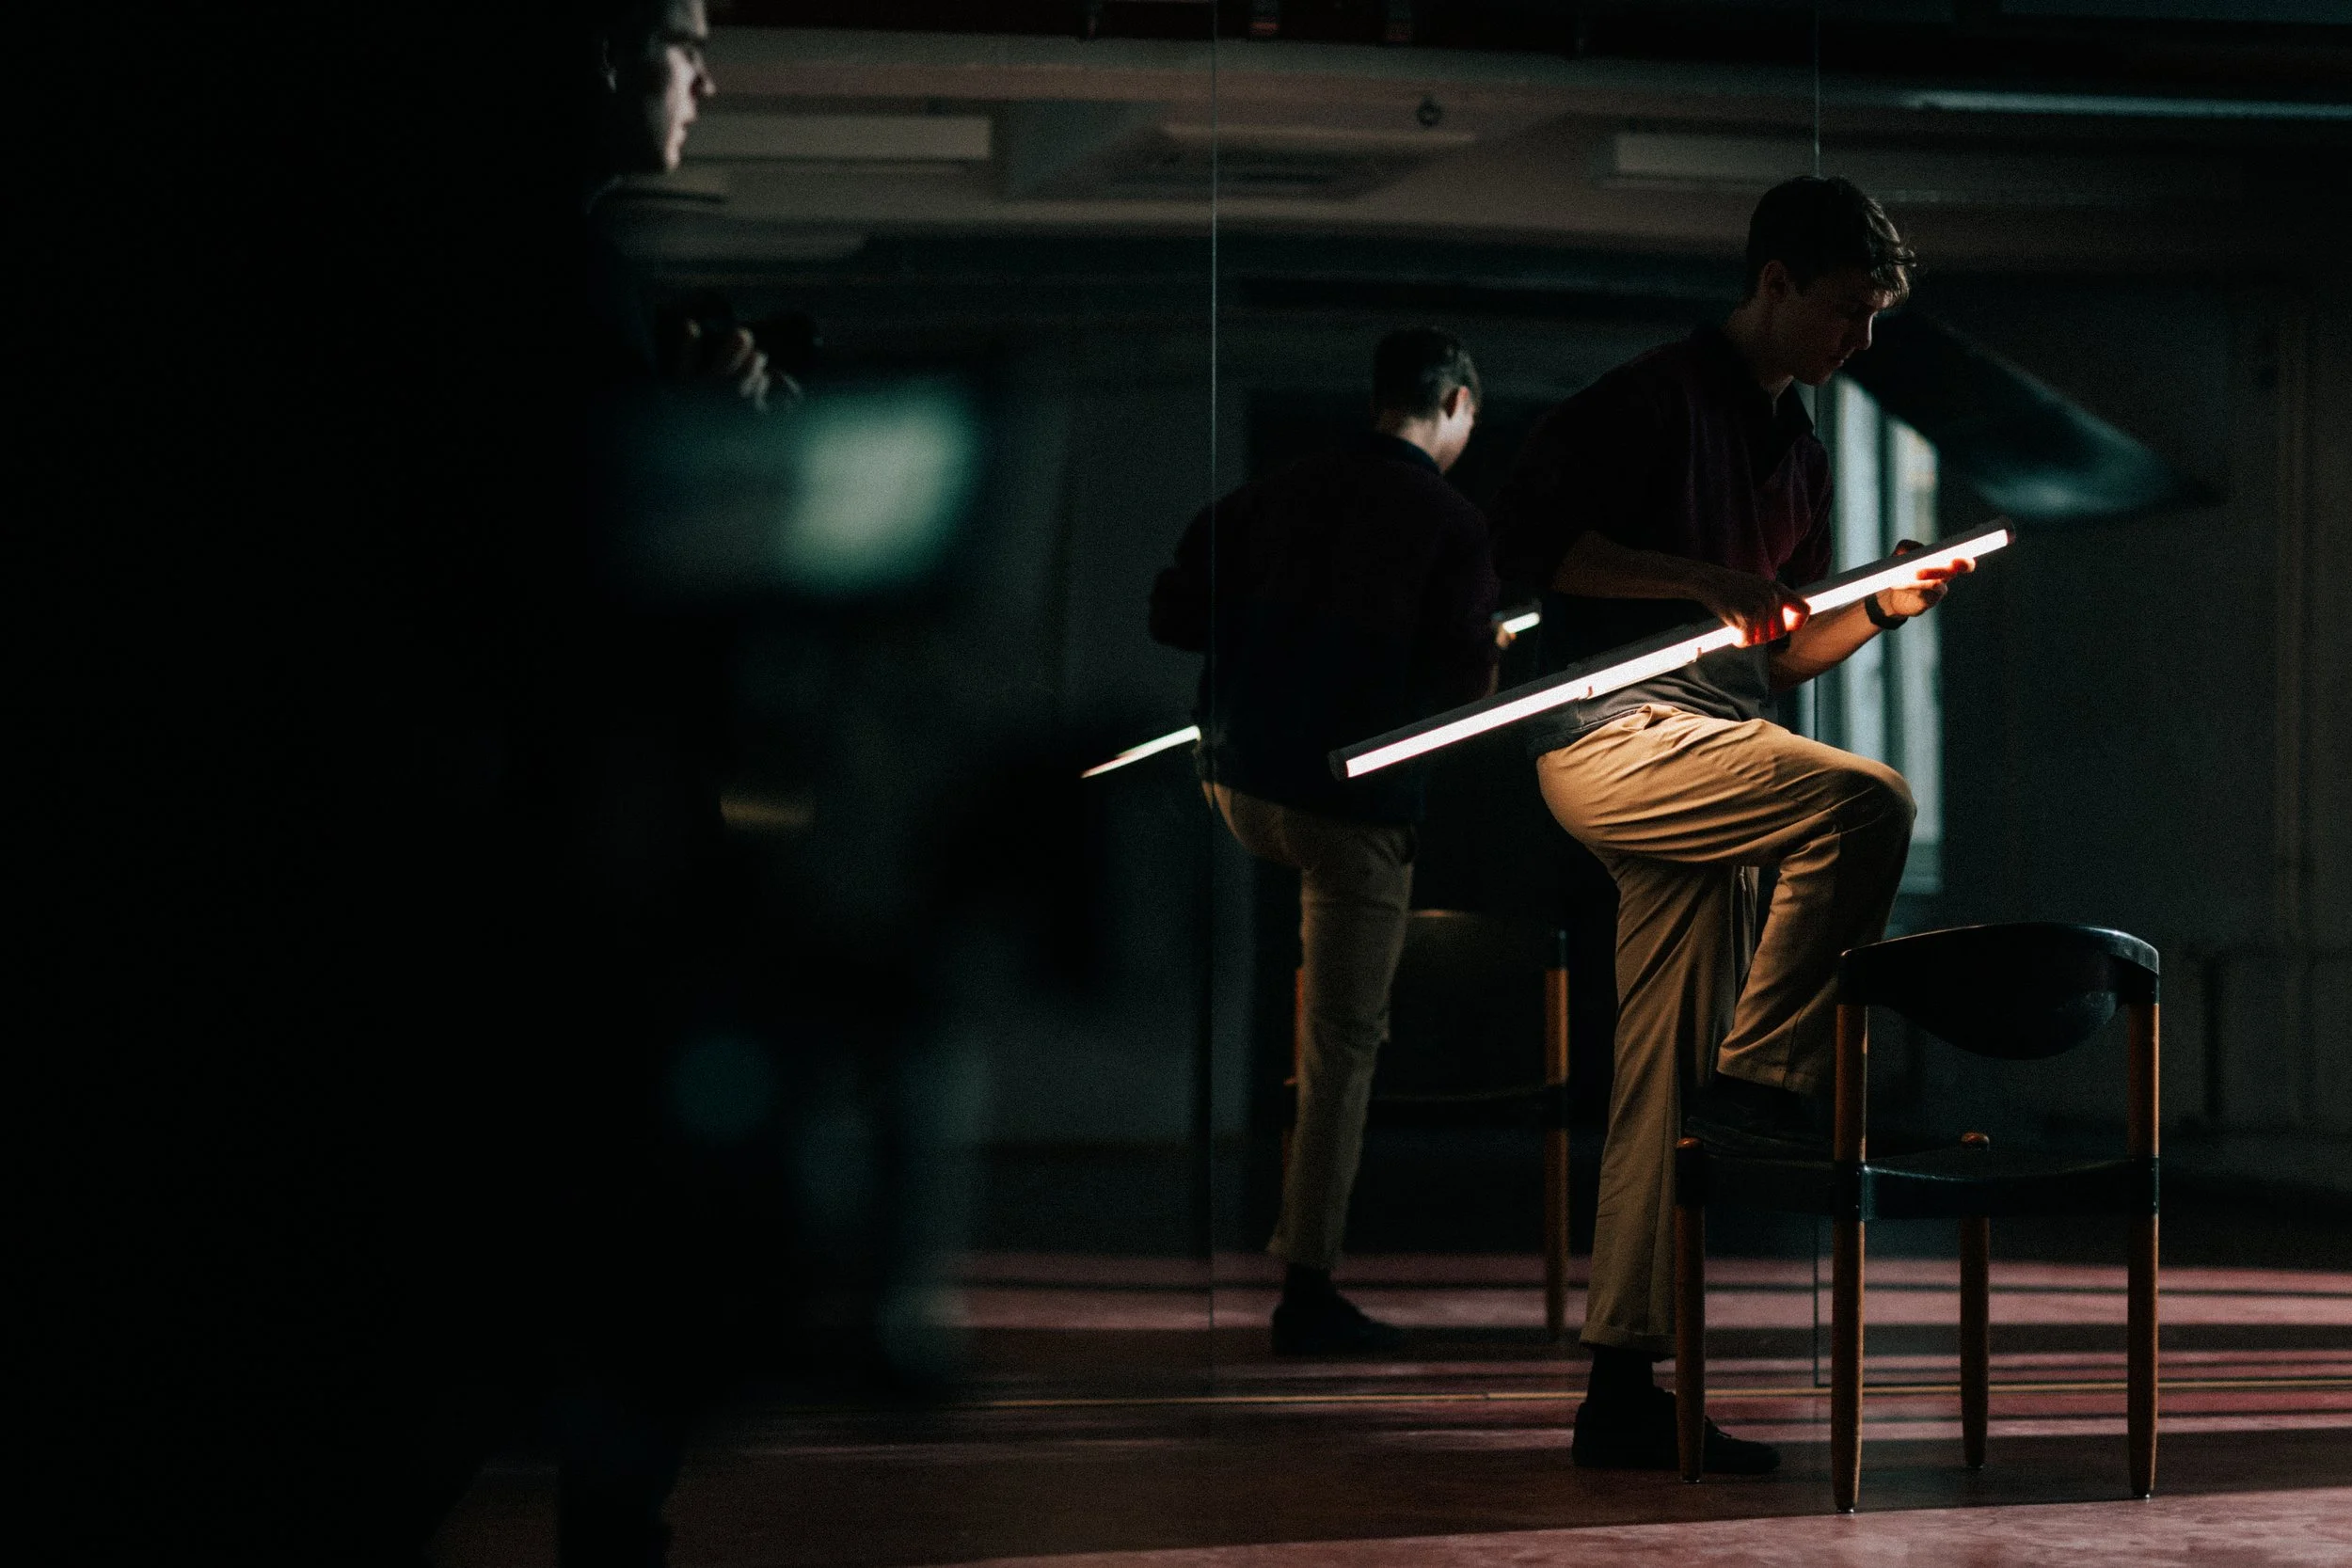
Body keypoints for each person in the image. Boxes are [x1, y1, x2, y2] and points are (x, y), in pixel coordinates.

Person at [1487, 177, 1976, 1472]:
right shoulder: (1645, 401)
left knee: (1657, 1085)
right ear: (1775, 283)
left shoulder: (1801, 455)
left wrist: (1880, 605)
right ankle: (1768, 1073)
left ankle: (1622, 1386)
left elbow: (1782, 652)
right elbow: (1531, 545)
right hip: (1615, 739)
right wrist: (1695, 577)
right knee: (1867, 798)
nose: (1859, 343)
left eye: (1874, 319)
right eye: (1847, 312)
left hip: (1713, 738)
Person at [1151, 328, 1503, 1355]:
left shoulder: (1277, 493)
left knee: (1304, 1001)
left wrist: (1277, 640)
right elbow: (1464, 687)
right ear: (1450, 402)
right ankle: (1307, 1285)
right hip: (1353, 811)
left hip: (1235, 782)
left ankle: (1287, 1242)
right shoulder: (1449, 520)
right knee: (1342, 1047)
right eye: (1468, 421)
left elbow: (1173, 615)